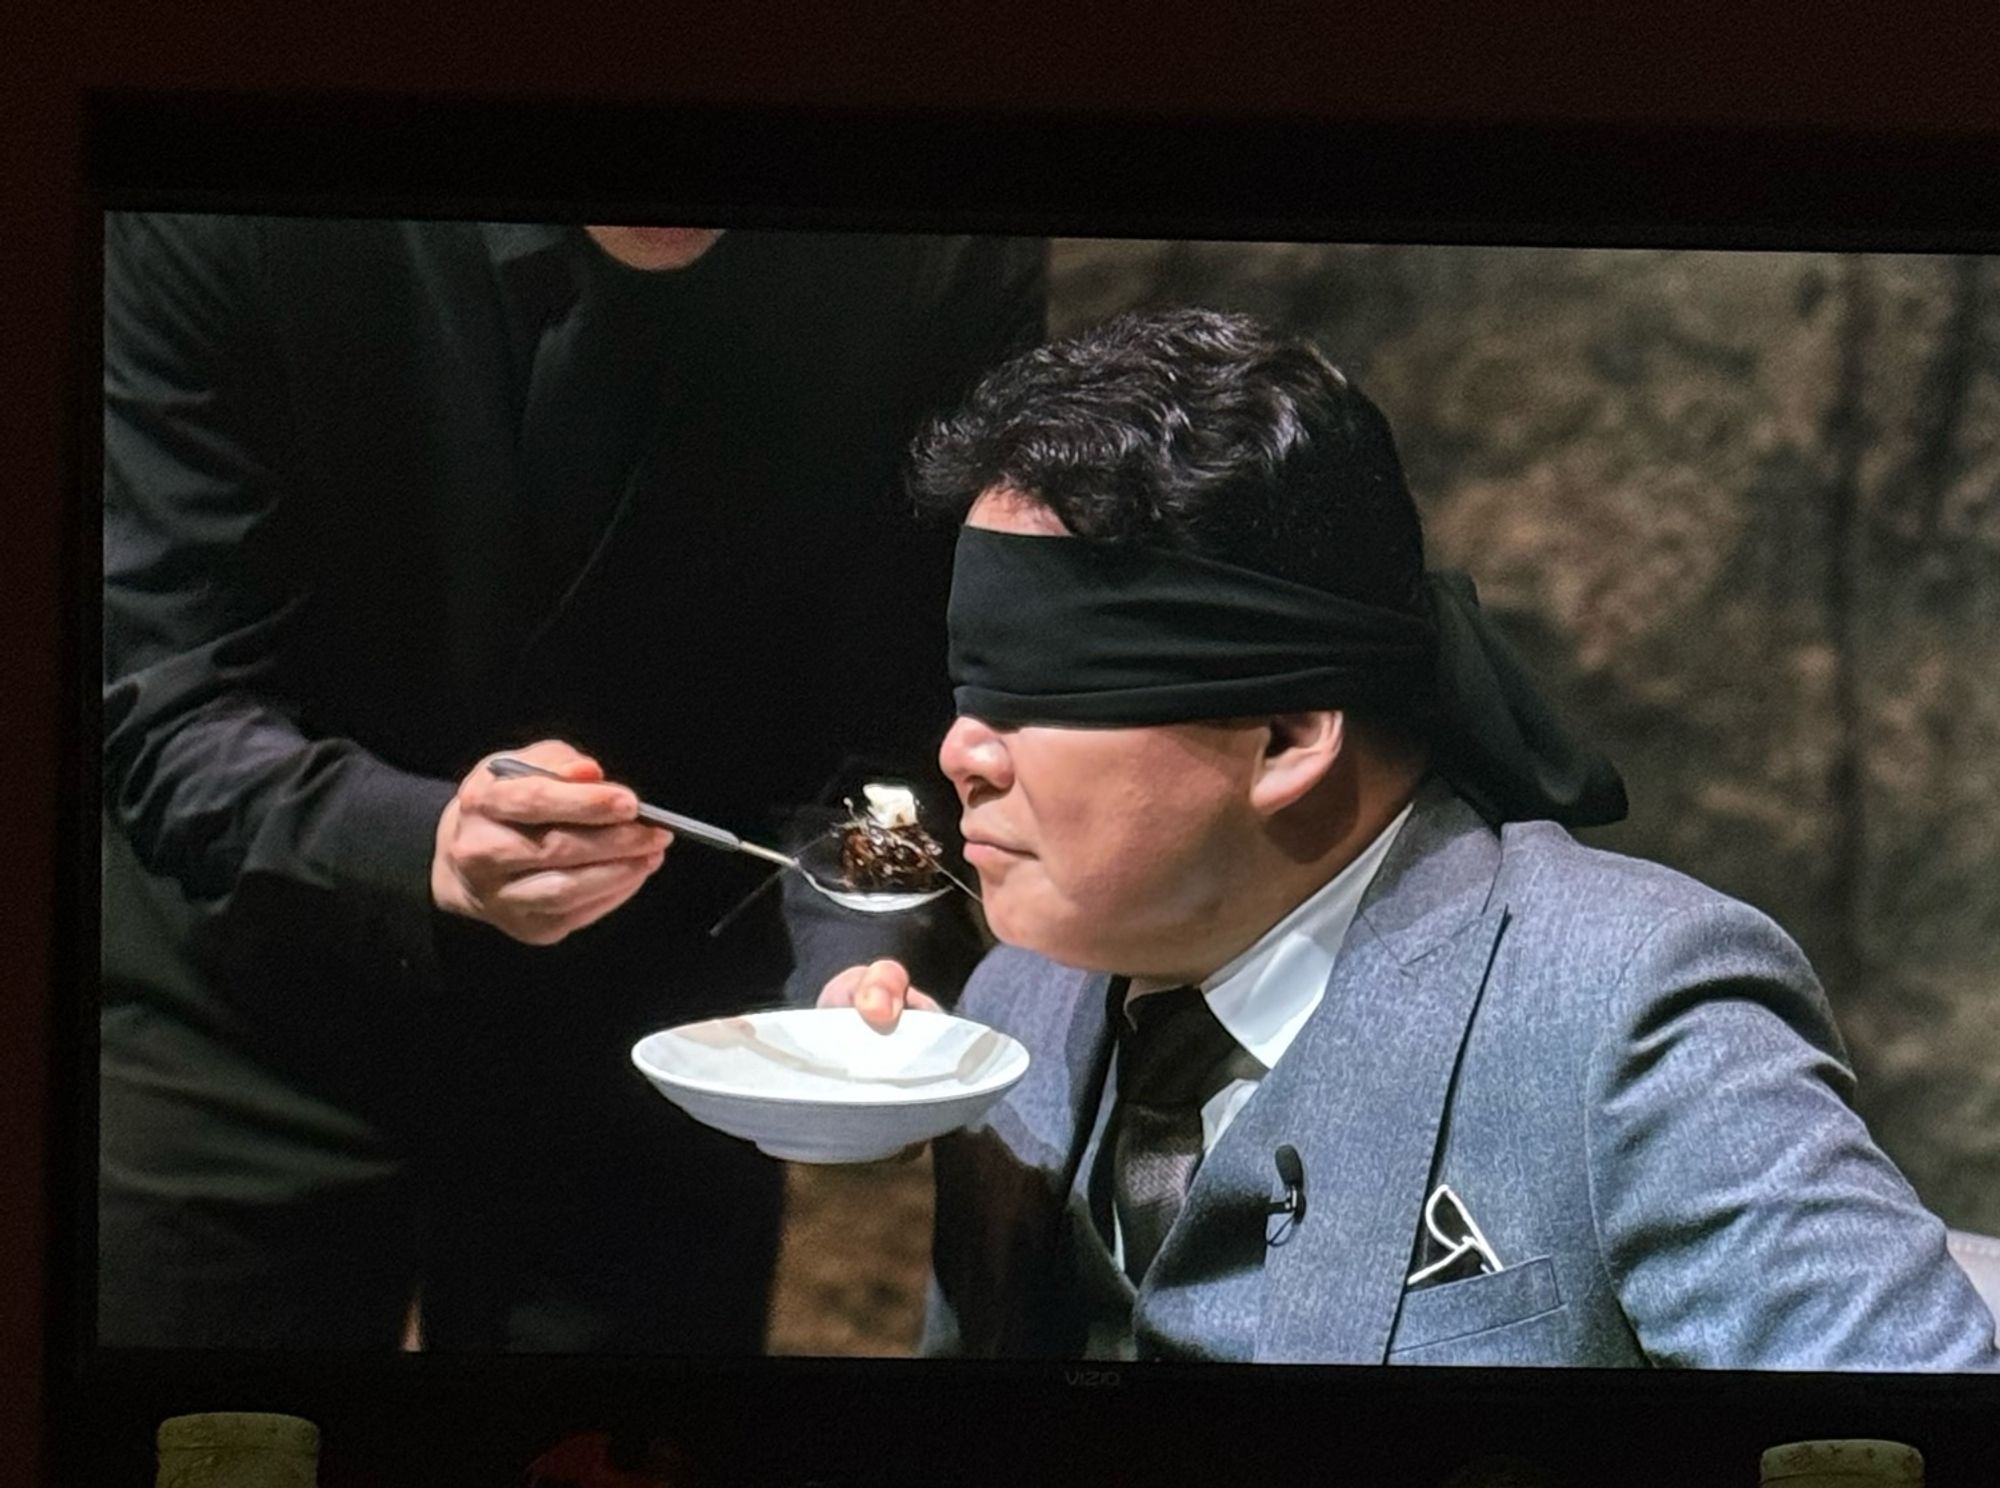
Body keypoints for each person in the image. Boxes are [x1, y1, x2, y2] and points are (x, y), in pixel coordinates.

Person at [821, 307, 2000, 1368]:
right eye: (969, 684)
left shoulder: (1620, 1011)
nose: (961, 752)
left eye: (1043, 689)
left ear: (1284, 736)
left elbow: (1910, 1434)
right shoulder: (1015, 1008)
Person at [100, 213, 1044, 1351]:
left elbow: (896, 714)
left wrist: (859, 961)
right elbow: (171, 700)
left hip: (671, 1026)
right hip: (247, 984)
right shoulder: (238, 214)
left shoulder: (932, 250)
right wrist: (421, 842)